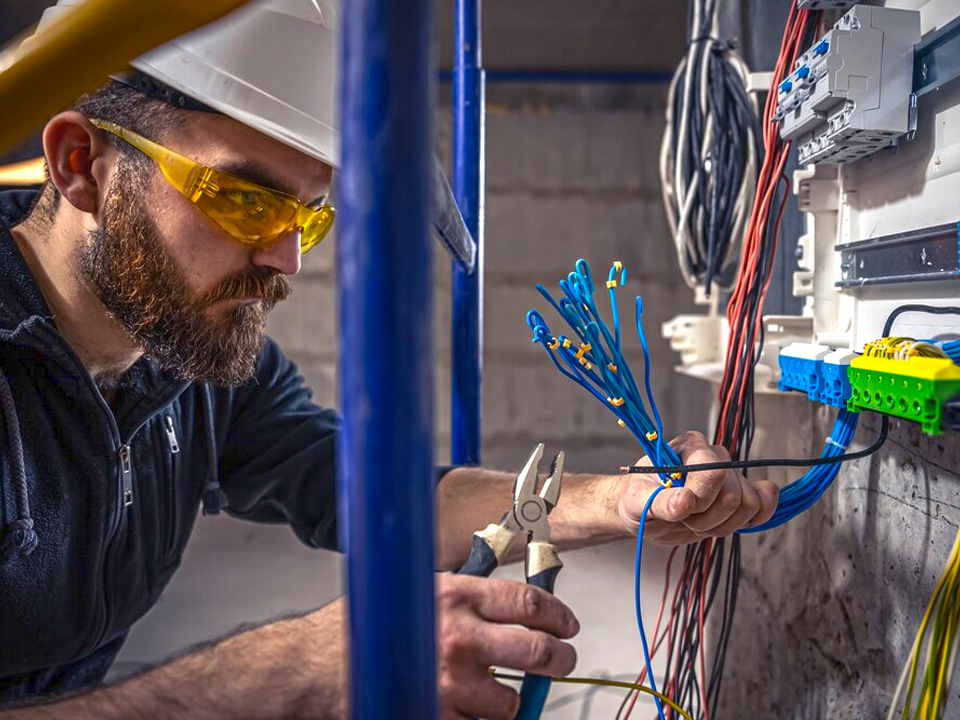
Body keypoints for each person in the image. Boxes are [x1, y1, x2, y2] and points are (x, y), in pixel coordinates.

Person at [0, 1, 778, 717]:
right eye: (243, 199)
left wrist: (623, 501)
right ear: (80, 164)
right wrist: (286, 668)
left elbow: (378, 496)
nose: (285, 259)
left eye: (308, 218)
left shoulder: (192, 364)